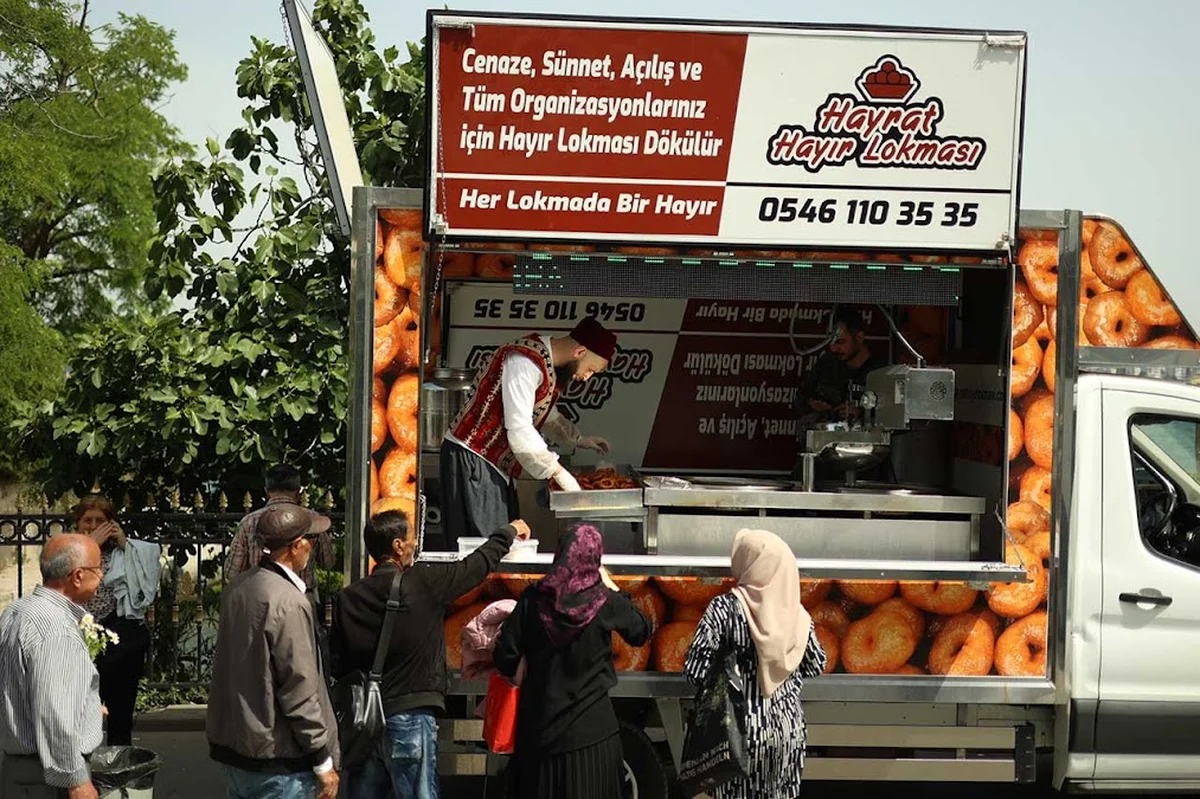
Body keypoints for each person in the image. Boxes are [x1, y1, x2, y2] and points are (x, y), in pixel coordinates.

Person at [329, 510, 531, 799]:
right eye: (412, 537)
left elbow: (338, 664)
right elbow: (475, 567)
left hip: (362, 724)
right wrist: (507, 532)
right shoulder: (423, 582)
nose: (415, 544)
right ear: (398, 545)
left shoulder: (348, 598)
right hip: (410, 718)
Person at [493, 523, 650, 799]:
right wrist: (613, 588)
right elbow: (641, 631)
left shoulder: (532, 600)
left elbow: (505, 657)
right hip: (593, 734)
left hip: (540, 733)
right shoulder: (605, 601)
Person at [439, 317, 617, 548]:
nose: (586, 378)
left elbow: (546, 413)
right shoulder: (525, 362)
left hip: (494, 465)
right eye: (590, 369)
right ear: (580, 352)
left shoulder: (546, 365)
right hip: (474, 458)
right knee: (485, 546)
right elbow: (520, 429)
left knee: (504, 541)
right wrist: (558, 472)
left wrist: (577, 439)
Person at [207, 503, 340, 799]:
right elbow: (298, 687)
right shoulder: (288, 601)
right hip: (279, 761)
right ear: (296, 546)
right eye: (311, 540)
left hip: (239, 753)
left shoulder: (238, 588)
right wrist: (322, 758)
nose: (312, 547)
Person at [683, 529, 827, 799]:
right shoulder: (797, 615)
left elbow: (695, 671)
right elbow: (816, 664)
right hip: (787, 731)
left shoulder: (723, 609)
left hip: (736, 731)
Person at [0, 534, 106, 799]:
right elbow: (54, 713)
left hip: (20, 770)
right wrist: (76, 781)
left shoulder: (19, 610)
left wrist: (87, 708)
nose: (102, 575)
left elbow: (21, 687)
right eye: (98, 569)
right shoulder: (56, 629)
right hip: (48, 779)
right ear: (78, 576)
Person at [74, 494, 161, 746]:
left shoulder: (121, 553)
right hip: (80, 636)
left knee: (120, 712)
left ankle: (119, 760)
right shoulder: (68, 550)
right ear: (78, 523)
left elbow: (147, 585)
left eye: (100, 520)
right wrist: (88, 546)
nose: (93, 525)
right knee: (80, 710)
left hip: (119, 638)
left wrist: (125, 544)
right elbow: (60, 579)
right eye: (87, 520)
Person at [224, 463, 335, 598]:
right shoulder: (313, 519)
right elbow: (328, 562)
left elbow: (233, 572)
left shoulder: (249, 521)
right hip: (302, 596)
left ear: (266, 492)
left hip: (261, 595)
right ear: (298, 492)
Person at [794, 307, 887, 426]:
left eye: (840, 342)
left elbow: (890, 415)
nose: (833, 348)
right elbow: (801, 399)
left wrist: (861, 413)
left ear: (859, 338)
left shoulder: (880, 372)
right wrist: (814, 405)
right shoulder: (827, 363)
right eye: (830, 342)